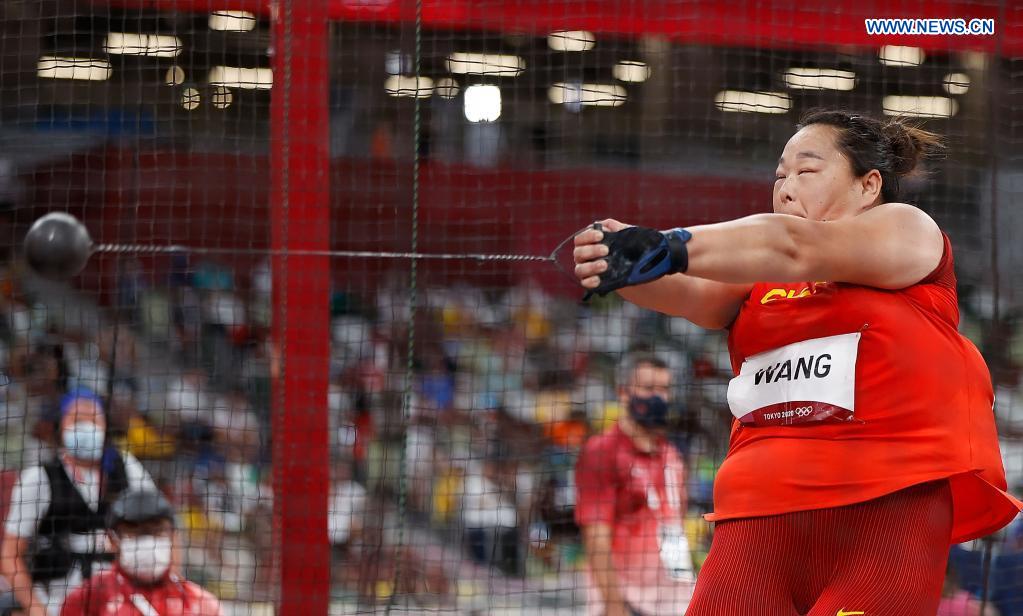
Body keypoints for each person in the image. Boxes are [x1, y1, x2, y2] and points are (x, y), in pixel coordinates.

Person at [573, 109, 1022, 615]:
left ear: (869, 185)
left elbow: (794, 246)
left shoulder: (909, 230)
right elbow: (692, 293)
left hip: (887, 513)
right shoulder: (760, 274)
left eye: (806, 171)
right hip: (757, 519)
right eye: (779, 176)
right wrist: (614, 263)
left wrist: (667, 243)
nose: (786, 189)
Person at [1, 389, 158, 616]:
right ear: (61, 426)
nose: (87, 426)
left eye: (94, 419)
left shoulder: (127, 468)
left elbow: (163, 525)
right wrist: (36, 609)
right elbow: (9, 555)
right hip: (55, 601)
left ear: (105, 426)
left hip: (117, 600)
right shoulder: (39, 478)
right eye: (77, 419)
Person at [574, 354, 694, 616]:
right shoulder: (602, 451)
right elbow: (596, 537)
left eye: (664, 389)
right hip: (626, 599)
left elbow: (676, 523)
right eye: (648, 388)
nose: (658, 397)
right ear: (623, 393)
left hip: (674, 599)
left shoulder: (671, 454)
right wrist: (615, 607)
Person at [60, 490, 222, 616]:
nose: (147, 540)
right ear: (112, 539)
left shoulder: (200, 603)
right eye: (134, 532)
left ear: (173, 536)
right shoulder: (89, 597)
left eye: (157, 531)